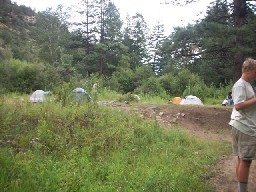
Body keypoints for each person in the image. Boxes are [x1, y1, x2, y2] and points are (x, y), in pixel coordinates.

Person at [229, 58, 256, 192]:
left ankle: (241, 188)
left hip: (241, 125)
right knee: (245, 160)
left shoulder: (246, 83)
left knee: (241, 158)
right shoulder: (240, 85)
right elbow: (238, 105)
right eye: (255, 71)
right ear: (248, 70)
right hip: (244, 126)